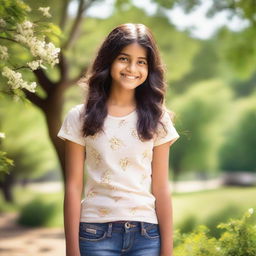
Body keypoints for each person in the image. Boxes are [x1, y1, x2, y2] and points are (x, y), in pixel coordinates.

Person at [57, 23, 180, 256]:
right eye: (124, 58)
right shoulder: (79, 117)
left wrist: (167, 251)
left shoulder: (158, 119)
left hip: (147, 234)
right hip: (94, 234)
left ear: (149, 68)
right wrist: (71, 250)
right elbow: (73, 187)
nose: (132, 68)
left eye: (141, 61)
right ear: (109, 60)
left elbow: (162, 187)